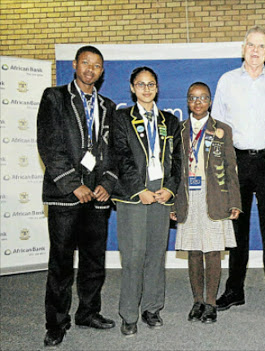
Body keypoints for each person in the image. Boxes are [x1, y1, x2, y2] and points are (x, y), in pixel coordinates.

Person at [37, 45, 117, 347]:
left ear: (101, 71)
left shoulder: (108, 106)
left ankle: (88, 312)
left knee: (94, 261)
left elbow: (111, 154)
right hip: (65, 196)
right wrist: (74, 183)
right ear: (75, 65)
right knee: (61, 261)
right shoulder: (54, 97)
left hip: (97, 197)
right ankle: (56, 323)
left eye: (96, 65)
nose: (90, 69)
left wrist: (107, 183)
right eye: (85, 63)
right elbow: (49, 145)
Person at [211, 25, 265, 314]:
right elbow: (217, 126)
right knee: (236, 231)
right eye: (250, 45)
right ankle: (234, 291)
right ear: (242, 49)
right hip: (237, 162)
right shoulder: (227, 81)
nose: (255, 51)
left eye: (260, 46)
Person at [111, 66, 181, 336]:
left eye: (151, 84)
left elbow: (176, 163)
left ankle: (152, 308)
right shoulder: (120, 118)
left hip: (161, 193)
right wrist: (139, 189)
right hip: (133, 195)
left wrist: (170, 190)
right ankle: (129, 314)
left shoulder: (169, 121)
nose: (147, 89)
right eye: (141, 84)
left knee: (155, 255)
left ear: (157, 87)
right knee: (133, 256)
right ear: (132, 88)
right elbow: (120, 157)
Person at [170, 82, 242, 324]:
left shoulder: (222, 129)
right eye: (192, 98)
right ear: (187, 101)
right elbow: (173, 170)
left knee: (212, 251)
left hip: (215, 196)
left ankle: (211, 302)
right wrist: (173, 203)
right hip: (188, 196)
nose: (197, 102)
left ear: (210, 101)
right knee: (192, 251)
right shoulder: (179, 130)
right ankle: (197, 301)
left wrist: (235, 201)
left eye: (202, 98)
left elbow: (231, 169)